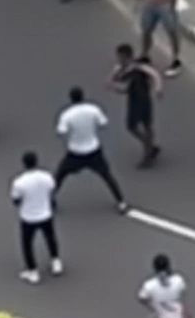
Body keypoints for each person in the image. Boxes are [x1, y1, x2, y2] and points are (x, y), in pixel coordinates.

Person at [54, 86, 127, 213]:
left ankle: (50, 199)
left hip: (75, 152)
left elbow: (61, 132)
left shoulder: (67, 115)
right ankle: (121, 202)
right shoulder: (93, 109)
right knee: (107, 176)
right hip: (94, 150)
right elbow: (103, 123)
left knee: (60, 175)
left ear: (71, 99)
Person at [11, 151, 61, 284]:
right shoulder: (46, 177)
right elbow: (52, 190)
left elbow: (16, 200)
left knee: (27, 244)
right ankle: (55, 261)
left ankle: (33, 271)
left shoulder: (19, 183)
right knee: (50, 238)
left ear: (24, 164)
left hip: (28, 217)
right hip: (46, 214)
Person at [109, 43, 163, 167]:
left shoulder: (138, 68)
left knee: (133, 126)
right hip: (140, 100)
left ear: (126, 56)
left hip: (138, 101)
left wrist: (158, 88)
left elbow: (154, 75)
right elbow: (113, 78)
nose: (119, 59)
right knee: (146, 125)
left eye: (120, 57)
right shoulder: (122, 69)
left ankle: (148, 149)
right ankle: (150, 147)